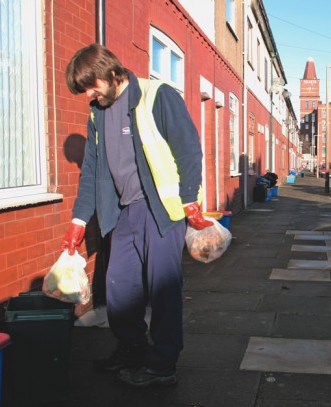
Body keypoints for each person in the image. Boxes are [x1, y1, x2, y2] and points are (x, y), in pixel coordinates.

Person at [61, 43, 213, 387]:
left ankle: (162, 365)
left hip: (161, 210)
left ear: (112, 72)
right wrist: (78, 220)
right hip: (123, 212)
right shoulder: (97, 113)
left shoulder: (157, 95)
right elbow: (92, 170)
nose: (88, 93)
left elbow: (189, 149)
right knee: (119, 288)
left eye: (91, 84)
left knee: (163, 291)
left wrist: (190, 200)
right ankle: (131, 349)